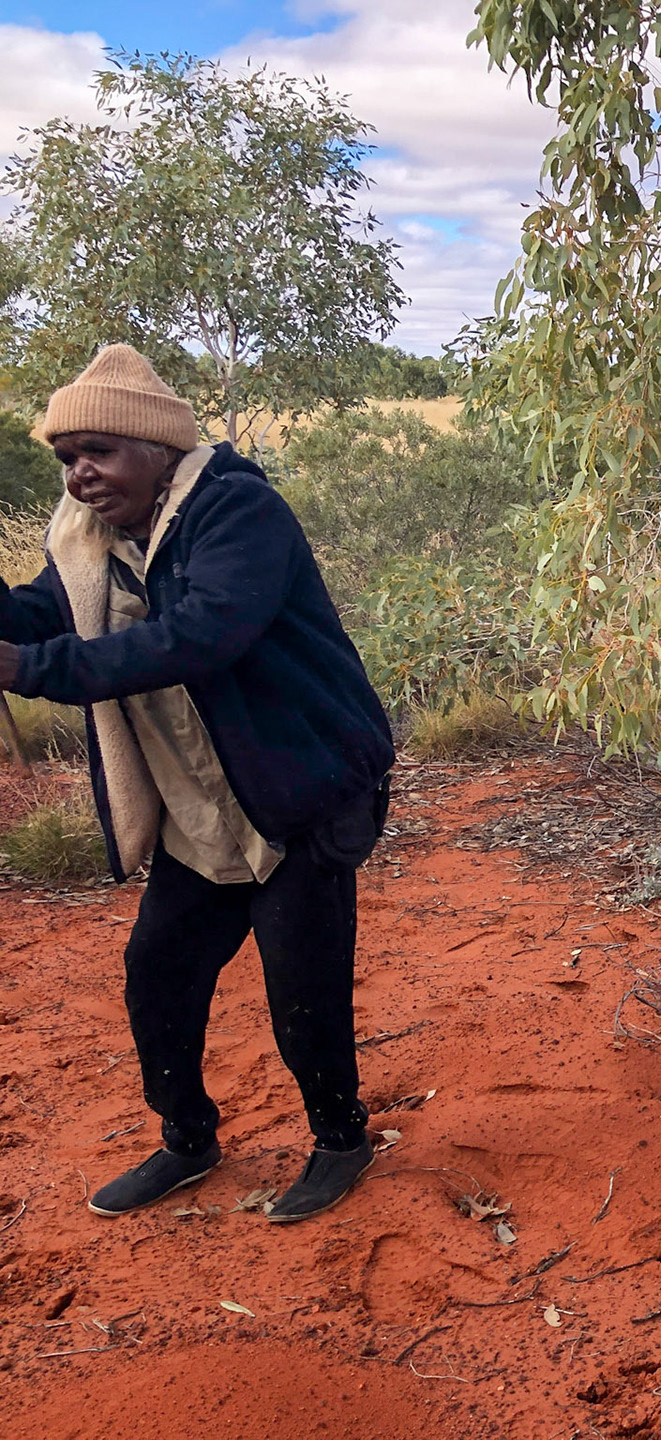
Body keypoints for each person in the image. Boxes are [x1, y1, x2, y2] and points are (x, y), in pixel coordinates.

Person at [0, 345, 395, 1223]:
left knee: (302, 990)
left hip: (296, 791)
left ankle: (341, 1140)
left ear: (157, 449)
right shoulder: (91, 542)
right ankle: (188, 1140)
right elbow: (39, 613)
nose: (80, 475)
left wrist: (29, 670)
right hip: (198, 806)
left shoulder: (237, 509)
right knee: (158, 974)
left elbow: (201, 635)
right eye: (66, 458)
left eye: (98, 451)